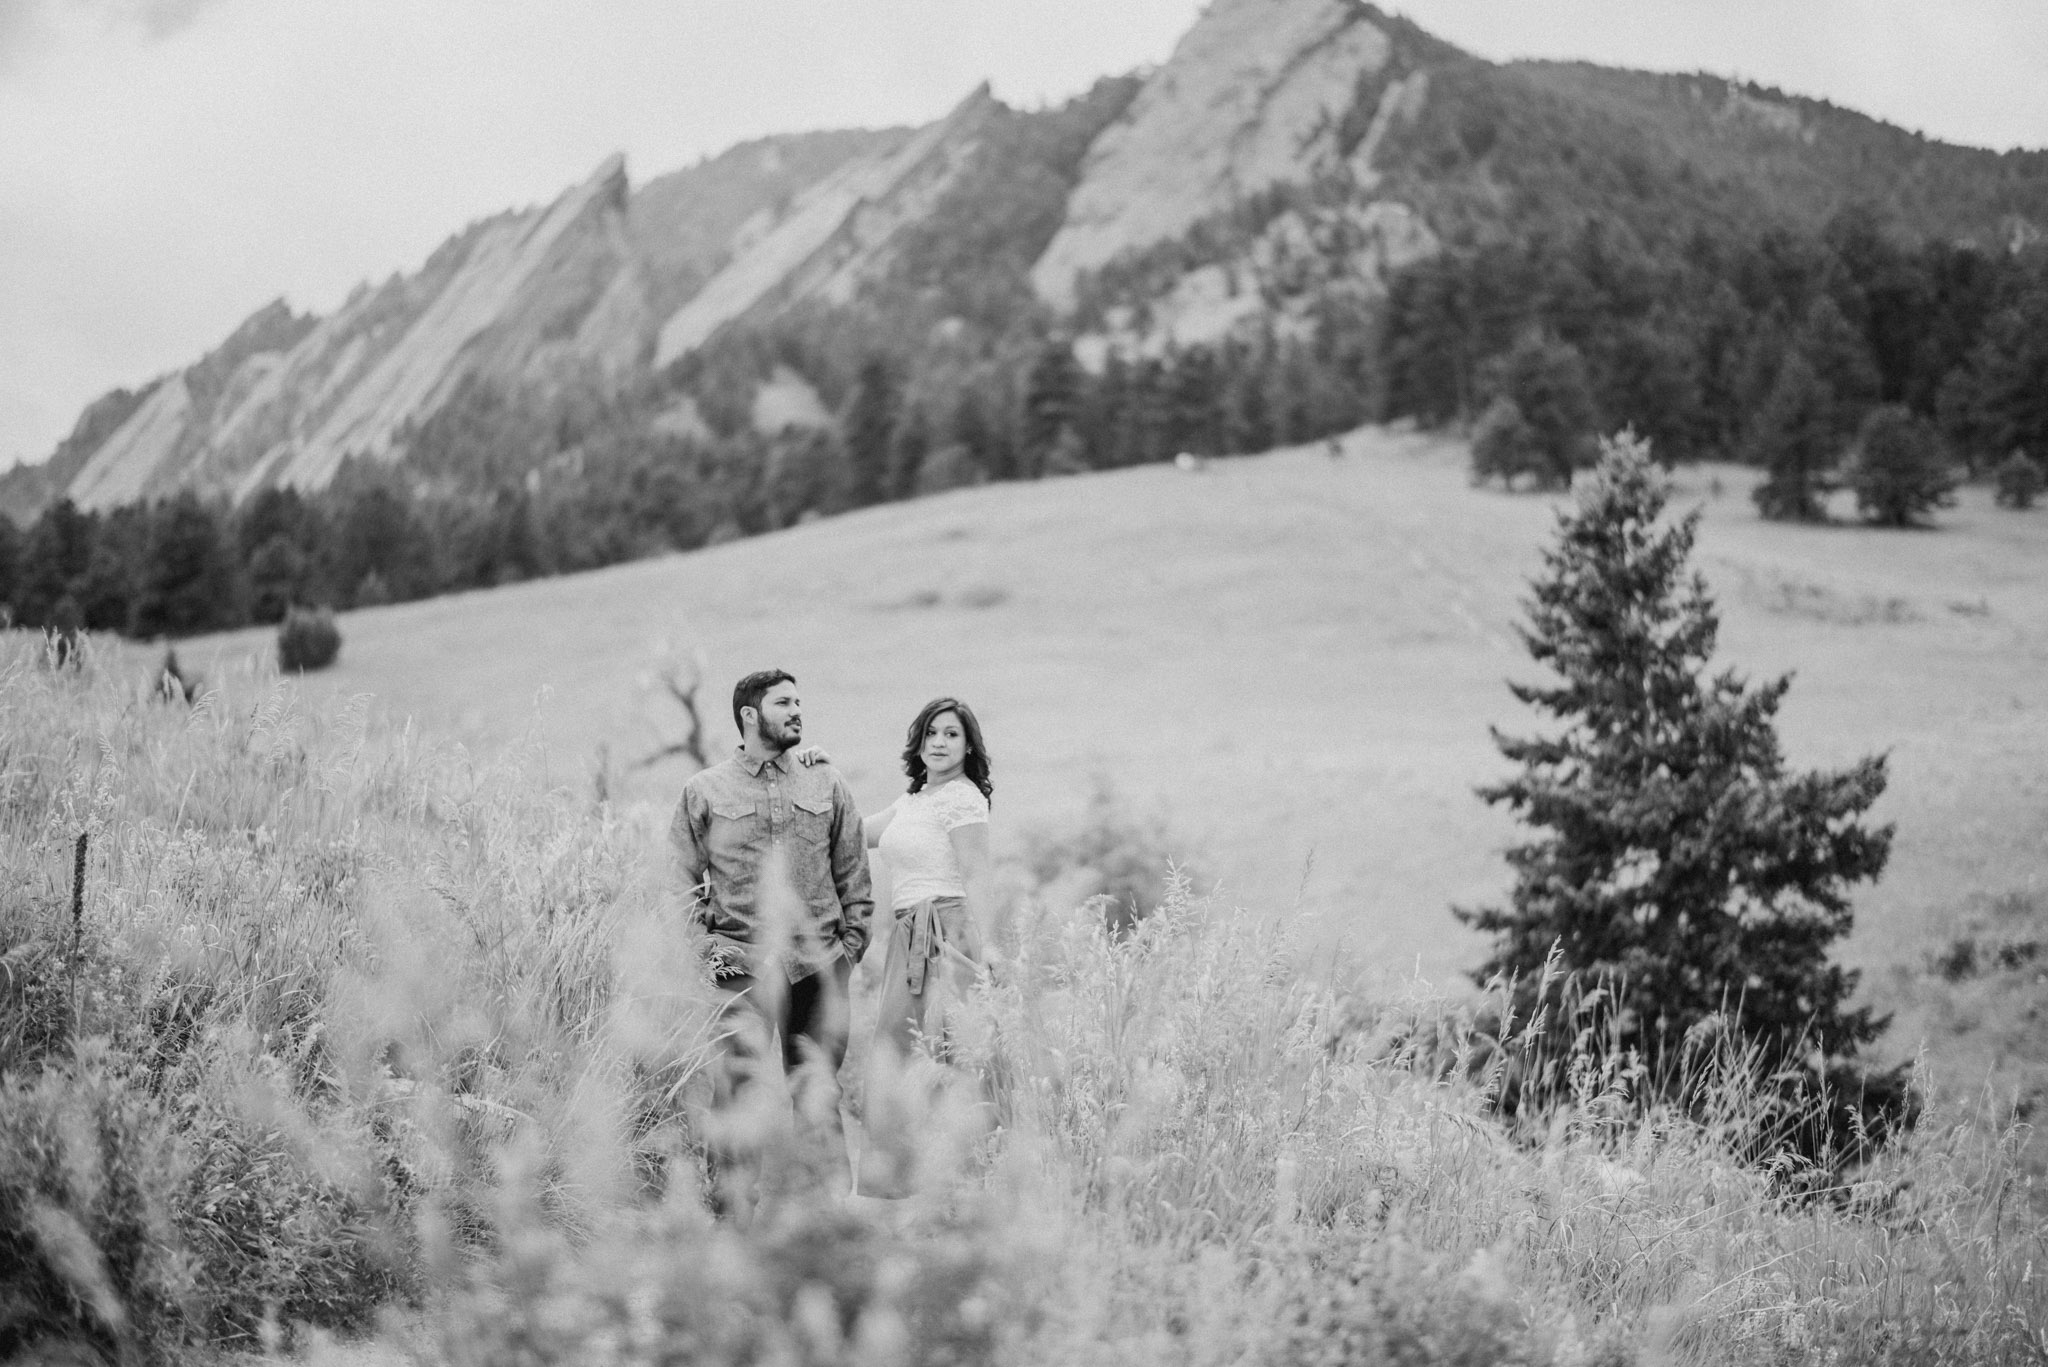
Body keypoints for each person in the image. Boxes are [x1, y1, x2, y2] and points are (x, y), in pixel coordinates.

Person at [670, 668, 873, 1210]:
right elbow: (676, 884)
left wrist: (849, 949)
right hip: (738, 969)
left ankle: (829, 1222)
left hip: (819, 966)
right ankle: (733, 1217)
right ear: (749, 715)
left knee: (816, 1093)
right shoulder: (704, 791)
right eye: (784, 703)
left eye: (799, 701)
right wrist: (704, 952)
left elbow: (853, 873)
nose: (798, 711)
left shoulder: (826, 783)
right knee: (738, 1096)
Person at [853, 697, 995, 1197]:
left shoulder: (963, 798)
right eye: (932, 732)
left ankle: (955, 1179)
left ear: (967, 745)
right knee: (897, 1050)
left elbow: (977, 872)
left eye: (952, 734)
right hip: (907, 937)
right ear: (919, 741)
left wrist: (991, 944)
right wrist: (814, 770)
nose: (939, 742)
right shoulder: (911, 803)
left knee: (942, 1050)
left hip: (948, 932)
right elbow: (850, 830)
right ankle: (899, 1180)